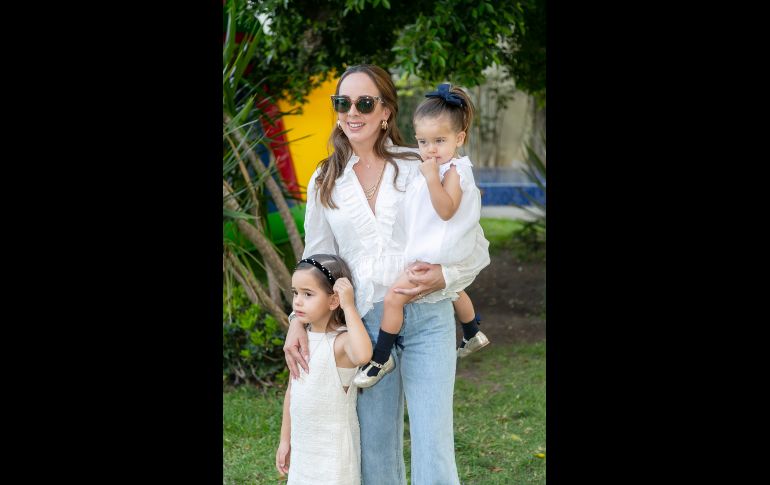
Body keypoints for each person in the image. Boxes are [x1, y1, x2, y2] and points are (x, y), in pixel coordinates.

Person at [283, 64, 490, 485]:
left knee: (434, 443)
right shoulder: (325, 179)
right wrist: (297, 320)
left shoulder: (421, 162)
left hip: (429, 318)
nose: (352, 112)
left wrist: (444, 275)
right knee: (375, 449)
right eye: (342, 103)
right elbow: (316, 263)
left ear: (386, 112)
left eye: (365, 102)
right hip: (366, 328)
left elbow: (473, 243)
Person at [353, 83, 489, 389]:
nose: (430, 150)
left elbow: (446, 210)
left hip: (436, 254)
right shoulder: (440, 166)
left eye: (439, 141)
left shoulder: (452, 171)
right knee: (453, 291)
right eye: (423, 141)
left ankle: (380, 359)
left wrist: (430, 179)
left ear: (460, 138)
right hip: (438, 254)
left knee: (393, 298)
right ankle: (471, 332)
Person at [275, 254, 372, 484]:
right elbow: (292, 392)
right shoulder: (302, 341)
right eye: (295, 293)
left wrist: (349, 306)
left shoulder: (340, 342)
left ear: (333, 300)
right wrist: (285, 440)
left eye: (308, 294)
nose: (298, 301)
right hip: (304, 448)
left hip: (333, 454)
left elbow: (363, 354)